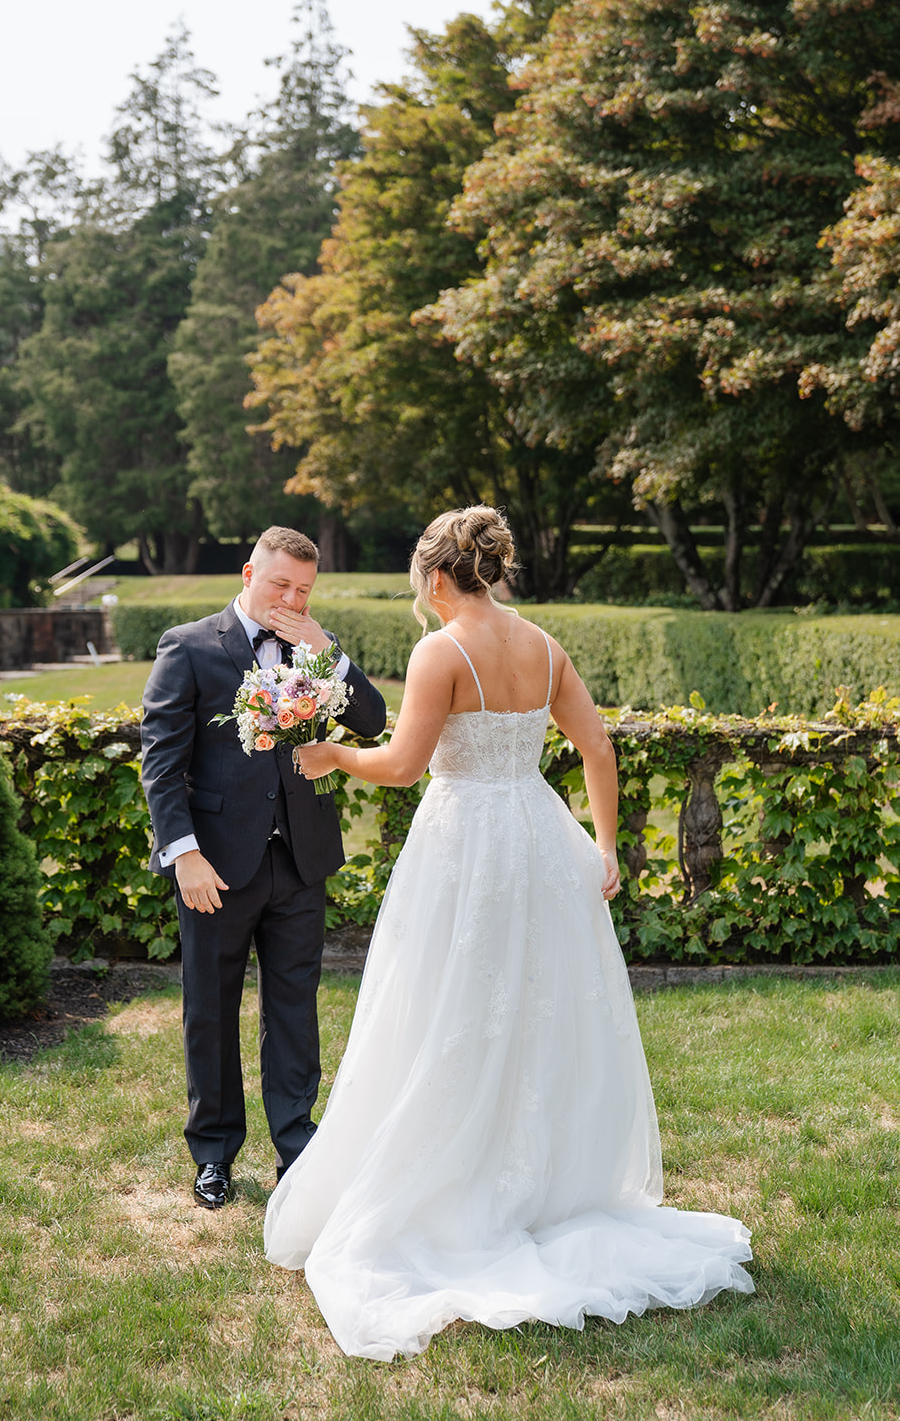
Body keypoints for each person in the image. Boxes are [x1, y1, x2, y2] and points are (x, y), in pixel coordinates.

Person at [264, 506, 753, 1360]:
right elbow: (595, 745)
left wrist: (335, 757)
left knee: (444, 1007)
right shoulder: (543, 645)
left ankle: (456, 1184)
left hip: (463, 849)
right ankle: (542, 1184)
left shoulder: (439, 651)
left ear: (436, 576)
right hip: (537, 835)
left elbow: (405, 766)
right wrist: (603, 845)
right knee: (535, 1010)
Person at [141, 527, 387, 1211]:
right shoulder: (188, 647)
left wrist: (324, 648)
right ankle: (213, 1154)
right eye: (280, 584)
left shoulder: (314, 647)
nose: (290, 598)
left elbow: (372, 719)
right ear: (249, 572)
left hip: (300, 861)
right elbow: (160, 762)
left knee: (294, 1009)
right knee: (210, 1011)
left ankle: (297, 1149)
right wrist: (184, 854)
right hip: (215, 866)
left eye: (304, 590)